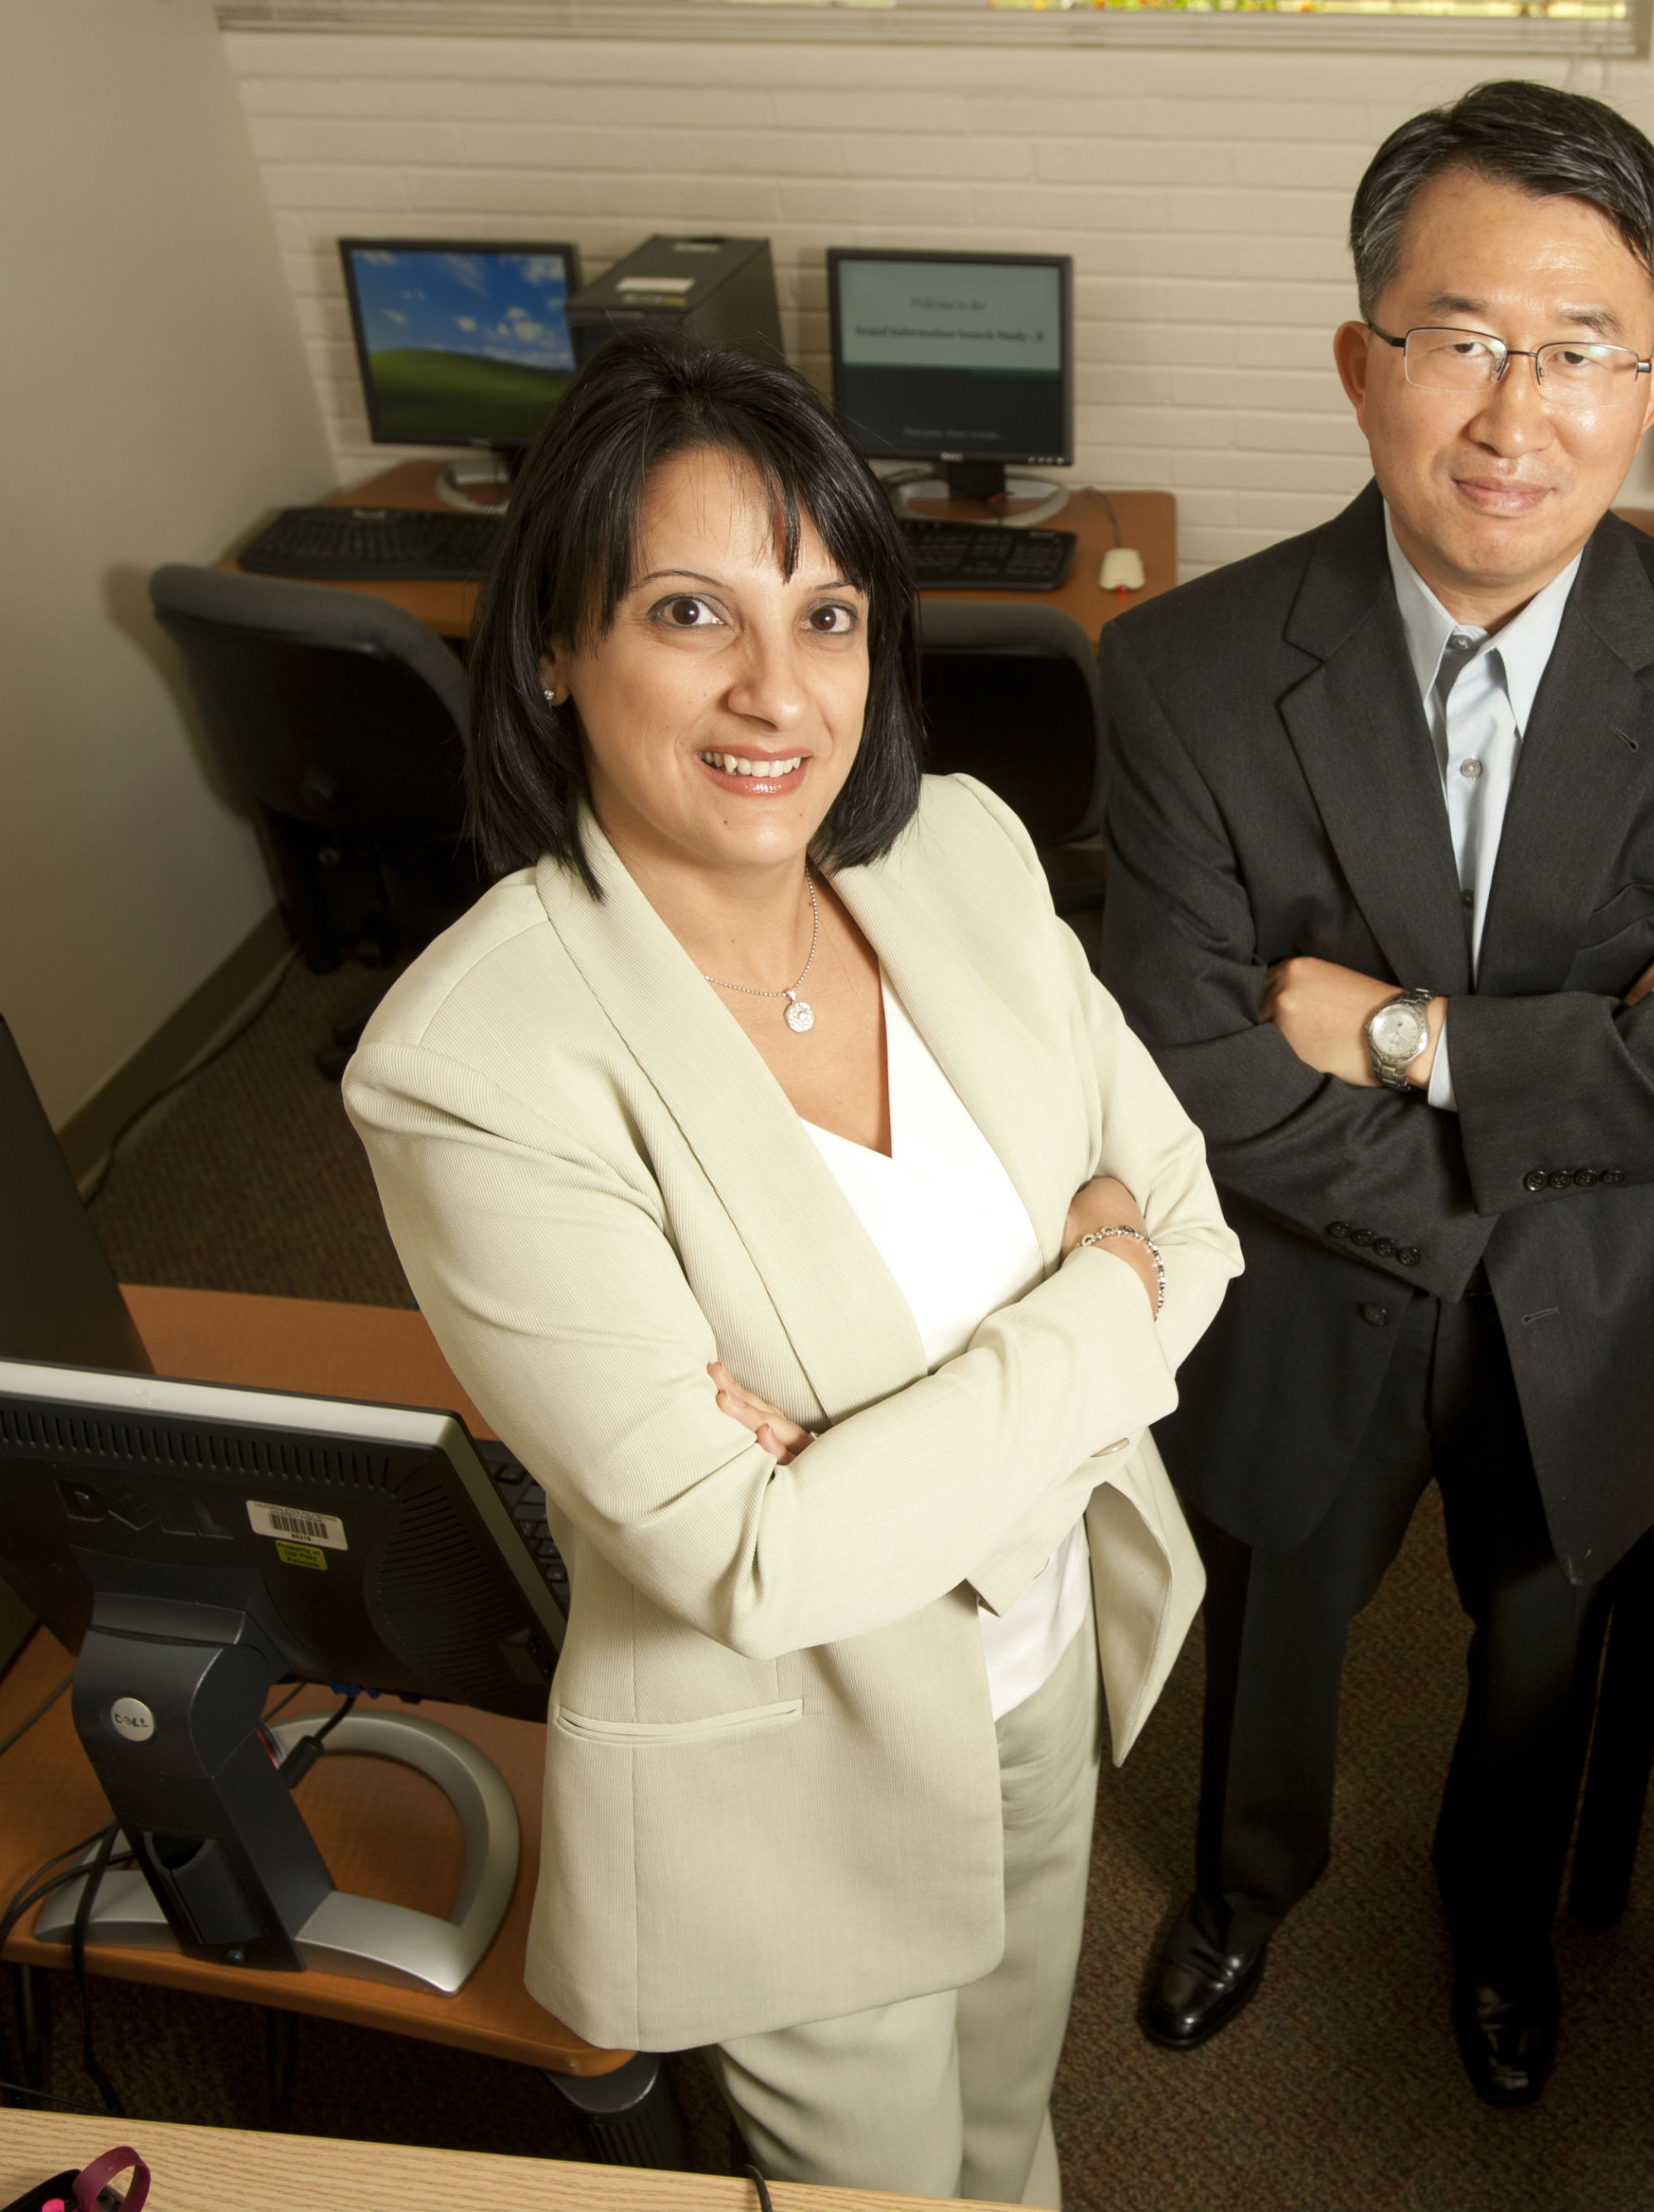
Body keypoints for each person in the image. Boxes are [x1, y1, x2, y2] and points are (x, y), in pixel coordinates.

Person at [345, 333, 1236, 2204]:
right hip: (791, 1773)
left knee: (1013, 2133)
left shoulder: (963, 859)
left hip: (1047, 1659)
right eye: (691, 612)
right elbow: (746, 1561)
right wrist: (1094, 1301)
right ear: (552, 650)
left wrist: (858, 1458)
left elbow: (1196, 1220)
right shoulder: (477, 1065)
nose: (777, 692)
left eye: (827, 618)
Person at [1100, 80, 1654, 2107]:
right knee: (1274, 1622)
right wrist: (1609, 1062)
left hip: (1608, 1313)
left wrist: (1403, 1035)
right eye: (1460, 341)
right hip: (1300, 1296)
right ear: (1362, 364)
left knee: (1545, 1647)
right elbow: (1187, 1076)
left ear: (1652, 384)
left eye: (1580, 350)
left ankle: (1499, 1923)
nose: (1516, 415)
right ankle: (1242, 1890)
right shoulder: (1176, 673)